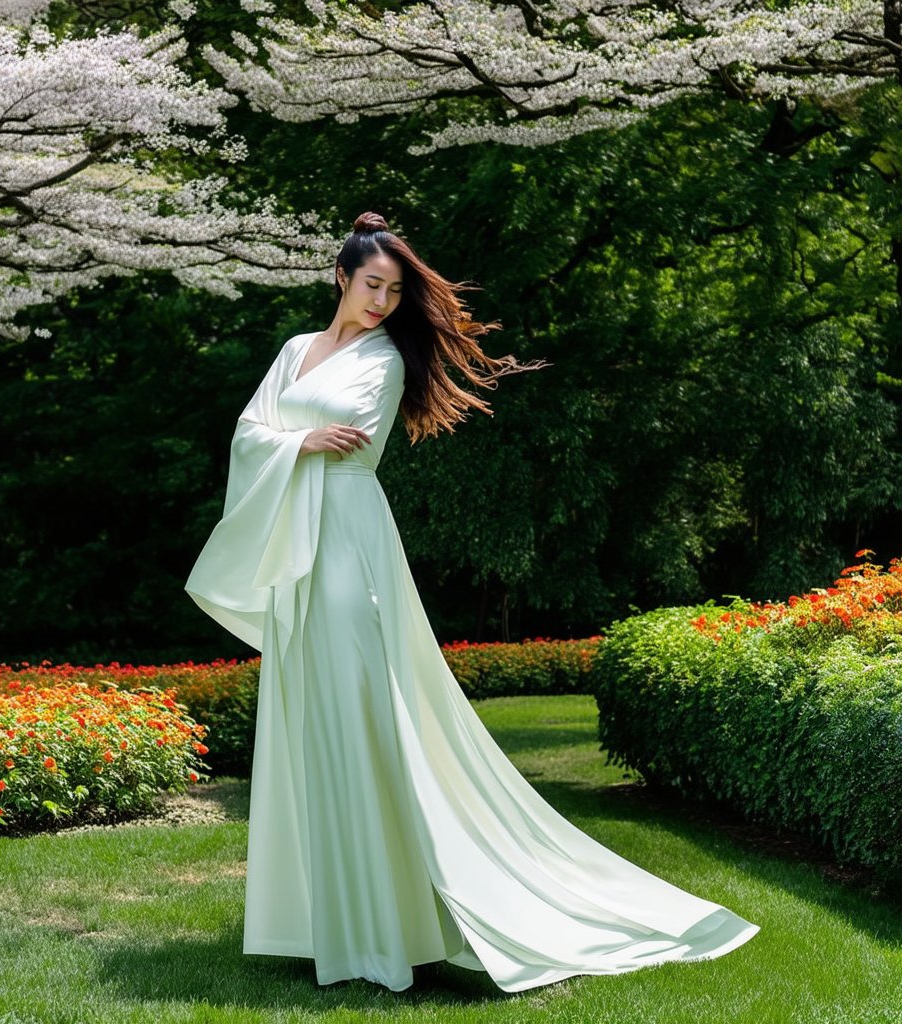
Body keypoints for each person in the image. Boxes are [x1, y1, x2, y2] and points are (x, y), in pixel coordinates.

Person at [184, 212, 759, 993]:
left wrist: (296, 436)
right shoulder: (293, 352)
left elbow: (347, 434)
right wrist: (296, 441)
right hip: (298, 545)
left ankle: (398, 924)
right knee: (317, 713)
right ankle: (339, 922)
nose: (383, 301)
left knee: (366, 710)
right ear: (340, 279)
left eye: (394, 290)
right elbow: (251, 429)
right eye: (372, 285)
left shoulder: (386, 361)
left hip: (349, 537)